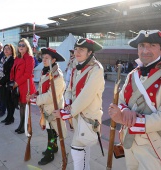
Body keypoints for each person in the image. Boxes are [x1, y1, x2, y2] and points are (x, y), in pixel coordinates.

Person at [108, 30, 161, 170]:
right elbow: (121, 100)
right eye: (142, 45)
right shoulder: (133, 74)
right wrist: (124, 110)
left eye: (152, 45)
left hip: (153, 145)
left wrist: (125, 120)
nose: (145, 50)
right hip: (128, 141)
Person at [53, 38, 105, 170]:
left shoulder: (96, 69)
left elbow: (86, 96)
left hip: (87, 116)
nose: (77, 52)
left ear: (90, 52)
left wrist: (68, 112)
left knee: (76, 150)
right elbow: (69, 88)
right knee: (83, 147)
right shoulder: (76, 65)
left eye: (81, 49)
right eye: (76, 49)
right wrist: (68, 103)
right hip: (76, 115)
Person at [27, 47, 67, 165]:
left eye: (47, 58)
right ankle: (53, 148)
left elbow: (50, 96)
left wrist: (36, 99)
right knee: (51, 131)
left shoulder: (57, 76)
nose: (43, 60)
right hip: (47, 107)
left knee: (52, 131)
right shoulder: (46, 71)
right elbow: (42, 89)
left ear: (54, 60)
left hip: (53, 108)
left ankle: (50, 154)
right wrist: (35, 94)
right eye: (43, 57)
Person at [10, 38, 36, 134]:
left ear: (27, 47)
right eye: (19, 45)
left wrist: (16, 83)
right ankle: (21, 125)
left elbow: (28, 74)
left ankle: (25, 126)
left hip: (26, 85)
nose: (21, 47)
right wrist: (12, 81)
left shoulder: (29, 58)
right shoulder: (17, 58)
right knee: (21, 106)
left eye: (23, 45)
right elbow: (13, 71)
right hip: (18, 85)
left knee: (25, 107)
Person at [0, 44, 16, 124]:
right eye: (5, 49)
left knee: (10, 102)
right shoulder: (3, 58)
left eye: (8, 49)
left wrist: (1, 81)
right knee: (6, 101)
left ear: (12, 51)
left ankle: (10, 118)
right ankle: (8, 117)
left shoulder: (12, 60)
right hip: (2, 84)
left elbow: (9, 74)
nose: (6, 50)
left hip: (8, 84)